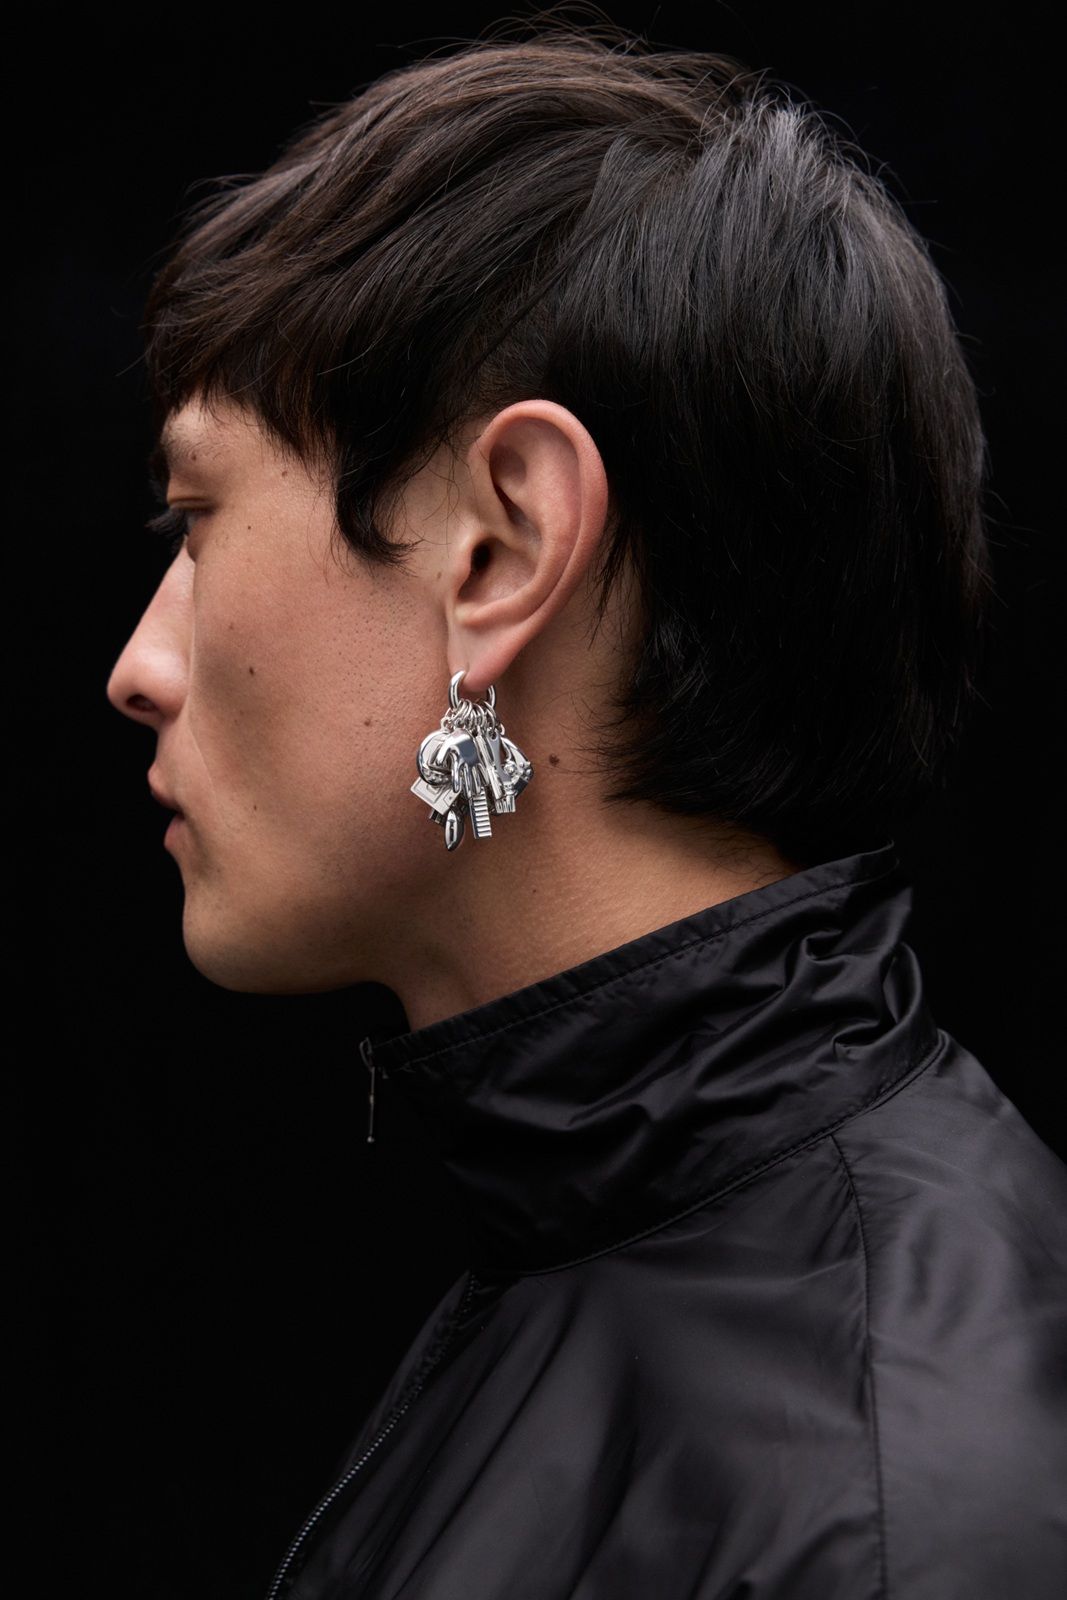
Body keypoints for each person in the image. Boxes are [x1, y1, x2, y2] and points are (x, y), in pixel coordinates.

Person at [105, 20, 1067, 1600]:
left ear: (502, 550)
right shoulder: (611, 1253)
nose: (139, 666)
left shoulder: (898, 1516)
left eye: (198, 521)